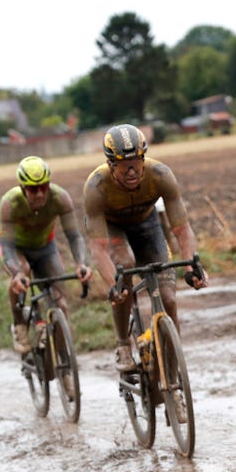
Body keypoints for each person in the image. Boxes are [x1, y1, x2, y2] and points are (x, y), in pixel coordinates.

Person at [83, 124, 207, 372]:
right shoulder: (96, 187)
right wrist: (112, 285)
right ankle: (122, 344)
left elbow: (182, 228)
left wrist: (192, 264)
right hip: (113, 227)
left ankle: (173, 374)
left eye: (137, 161)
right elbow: (98, 248)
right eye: (123, 163)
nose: (132, 170)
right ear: (110, 164)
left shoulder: (160, 174)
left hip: (147, 225)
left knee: (169, 298)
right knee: (125, 267)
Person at [0, 156, 93, 354]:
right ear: (22, 188)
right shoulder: (10, 203)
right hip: (15, 249)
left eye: (44, 186)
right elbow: (6, 244)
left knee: (60, 302)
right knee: (22, 272)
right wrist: (15, 273)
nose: (39, 193)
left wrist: (82, 263)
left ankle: (62, 357)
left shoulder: (60, 198)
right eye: (32, 189)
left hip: (44, 248)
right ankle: (19, 324)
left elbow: (74, 236)